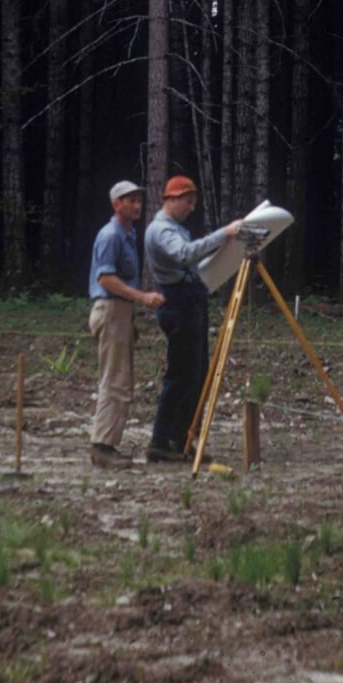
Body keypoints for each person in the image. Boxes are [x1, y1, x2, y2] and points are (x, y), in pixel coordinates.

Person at [143, 175, 241, 463]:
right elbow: (185, 255)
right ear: (172, 198)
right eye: (188, 201)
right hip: (178, 303)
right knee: (181, 375)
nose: (191, 207)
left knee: (197, 373)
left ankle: (183, 438)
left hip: (190, 300)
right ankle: (162, 441)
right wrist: (225, 234)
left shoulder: (176, 228)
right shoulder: (161, 230)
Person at [86, 180, 164, 469]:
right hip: (111, 310)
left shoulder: (128, 235)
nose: (137, 206)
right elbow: (106, 278)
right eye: (130, 200)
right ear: (116, 204)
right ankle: (102, 447)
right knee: (114, 380)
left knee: (120, 379)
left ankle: (107, 444)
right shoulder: (110, 236)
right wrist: (142, 297)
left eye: (138, 200)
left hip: (120, 312)